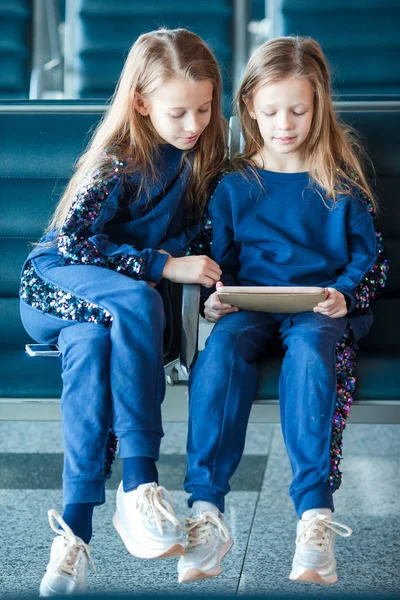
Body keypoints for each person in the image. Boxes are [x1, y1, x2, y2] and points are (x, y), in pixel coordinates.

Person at [19, 28, 227, 596]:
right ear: (141, 102)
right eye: (179, 112)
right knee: (133, 297)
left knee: (90, 348)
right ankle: (139, 482)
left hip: (105, 314)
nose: (194, 124)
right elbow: (73, 246)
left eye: (205, 109)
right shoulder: (118, 160)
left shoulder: (199, 163)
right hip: (54, 286)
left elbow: (203, 240)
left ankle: (76, 531)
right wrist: (162, 265)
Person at [178, 36, 389, 585]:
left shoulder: (340, 184)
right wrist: (216, 298)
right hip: (251, 303)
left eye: (298, 109)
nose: (285, 123)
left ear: (319, 107)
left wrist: (345, 292)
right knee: (220, 349)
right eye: (271, 111)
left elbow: (370, 261)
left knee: (312, 350)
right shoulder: (232, 184)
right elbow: (216, 262)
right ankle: (206, 511)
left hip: (319, 308)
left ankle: (314, 515)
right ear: (248, 105)